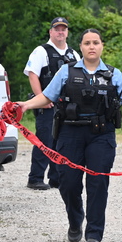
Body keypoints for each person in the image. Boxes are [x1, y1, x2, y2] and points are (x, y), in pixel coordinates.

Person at [17, 29, 122, 242]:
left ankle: (94, 234)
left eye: (96, 42)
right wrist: (25, 104)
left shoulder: (113, 74)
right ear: (80, 47)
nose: (92, 46)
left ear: (101, 46)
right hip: (69, 133)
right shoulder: (66, 71)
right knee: (68, 183)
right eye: (87, 43)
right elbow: (47, 96)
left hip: (101, 134)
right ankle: (75, 220)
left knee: (98, 183)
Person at [23, 17, 81, 190]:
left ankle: (56, 178)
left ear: (67, 32)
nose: (60, 32)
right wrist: (40, 99)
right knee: (45, 140)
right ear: (51, 32)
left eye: (63, 29)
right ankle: (35, 178)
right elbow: (32, 74)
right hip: (47, 105)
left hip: (67, 106)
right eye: (57, 29)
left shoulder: (73, 54)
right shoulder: (42, 51)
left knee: (62, 142)